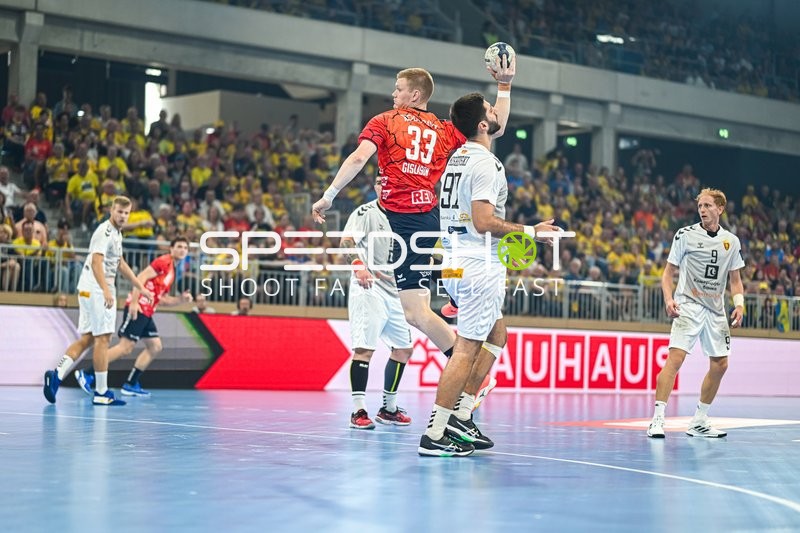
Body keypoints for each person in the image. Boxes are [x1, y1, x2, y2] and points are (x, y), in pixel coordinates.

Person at [311, 60, 515, 404]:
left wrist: (328, 196)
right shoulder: (441, 127)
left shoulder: (385, 121)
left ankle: (477, 377)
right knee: (429, 285)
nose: (393, 93)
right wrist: (505, 86)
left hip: (407, 220)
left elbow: (359, 159)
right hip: (429, 216)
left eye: (398, 88)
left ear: (415, 94)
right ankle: (453, 297)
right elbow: (493, 128)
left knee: (415, 313)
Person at [419, 93, 560, 456]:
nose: (497, 114)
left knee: (498, 333)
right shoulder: (488, 165)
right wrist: (531, 232)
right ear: (483, 124)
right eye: (491, 111)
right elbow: (483, 222)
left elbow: (471, 217)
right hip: (477, 266)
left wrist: (505, 87)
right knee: (465, 350)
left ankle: (462, 415)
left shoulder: (459, 158)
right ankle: (436, 433)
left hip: (453, 262)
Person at [647, 188, 745, 438]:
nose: (702, 210)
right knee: (676, 359)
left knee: (721, 364)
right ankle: (657, 420)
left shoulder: (731, 241)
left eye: (707, 205)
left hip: (715, 310)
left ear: (720, 209)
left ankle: (700, 420)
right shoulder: (685, 235)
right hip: (688, 306)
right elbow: (668, 273)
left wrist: (740, 304)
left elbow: (735, 279)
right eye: (700, 206)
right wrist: (669, 299)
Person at [43, 196, 154, 406]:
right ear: (112, 210)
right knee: (104, 338)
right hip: (97, 286)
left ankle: (56, 374)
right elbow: (96, 263)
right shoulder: (104, 232)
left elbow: (120, 264)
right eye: (119, 211)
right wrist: (106, 290)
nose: (122, 216)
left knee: (88, 339)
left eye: (126, 213)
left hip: (89, 287)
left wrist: (140, 288)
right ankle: (102, 392)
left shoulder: (117, 234)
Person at [74, 237, 193, 397]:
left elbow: (161, 299)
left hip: (148, 310)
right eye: (179, 246)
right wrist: (135, 303)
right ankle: (88, 374)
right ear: (171, 249)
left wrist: (180, 300)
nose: (182, 249)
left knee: (155, 346)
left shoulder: (171, 271)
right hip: (139, 308)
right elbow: (141, 277)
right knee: (125, 348)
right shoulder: (164, 261)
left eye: (185, 247)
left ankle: (131, 384)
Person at [340, 177, 415, 430]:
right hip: (368, 286)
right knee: (364, 349)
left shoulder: (406, 216)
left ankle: (389, 408)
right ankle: (358, 410)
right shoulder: (365, 212)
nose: (384, 187)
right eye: (380, 184)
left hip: (395, 291)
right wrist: (358, 266)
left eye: (390, 183)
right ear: (375, 188)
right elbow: (347, 242)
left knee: (403, 349)